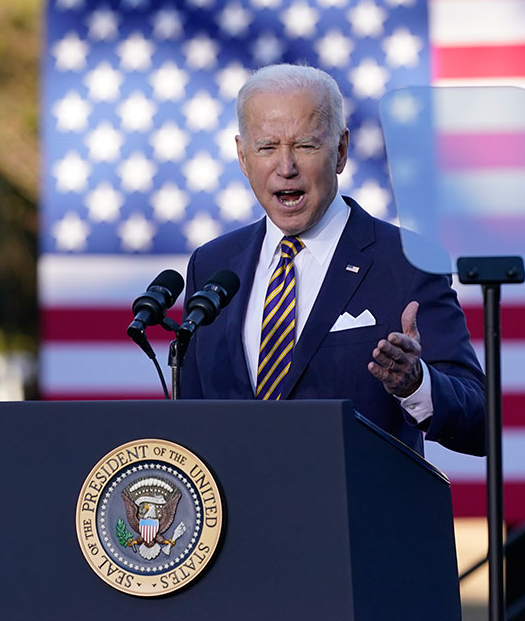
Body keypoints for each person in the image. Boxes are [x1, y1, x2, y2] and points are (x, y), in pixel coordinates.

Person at [179, 64, 486, 456]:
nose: (285, 167)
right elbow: (191, 420)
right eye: (267, 147)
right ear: (242, 156)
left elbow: (480, 423)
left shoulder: (407, 262)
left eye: (305, 146)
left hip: (355, 514)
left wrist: (415, 383)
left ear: (340, 150)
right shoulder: (212, 266)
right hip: (240, 515)